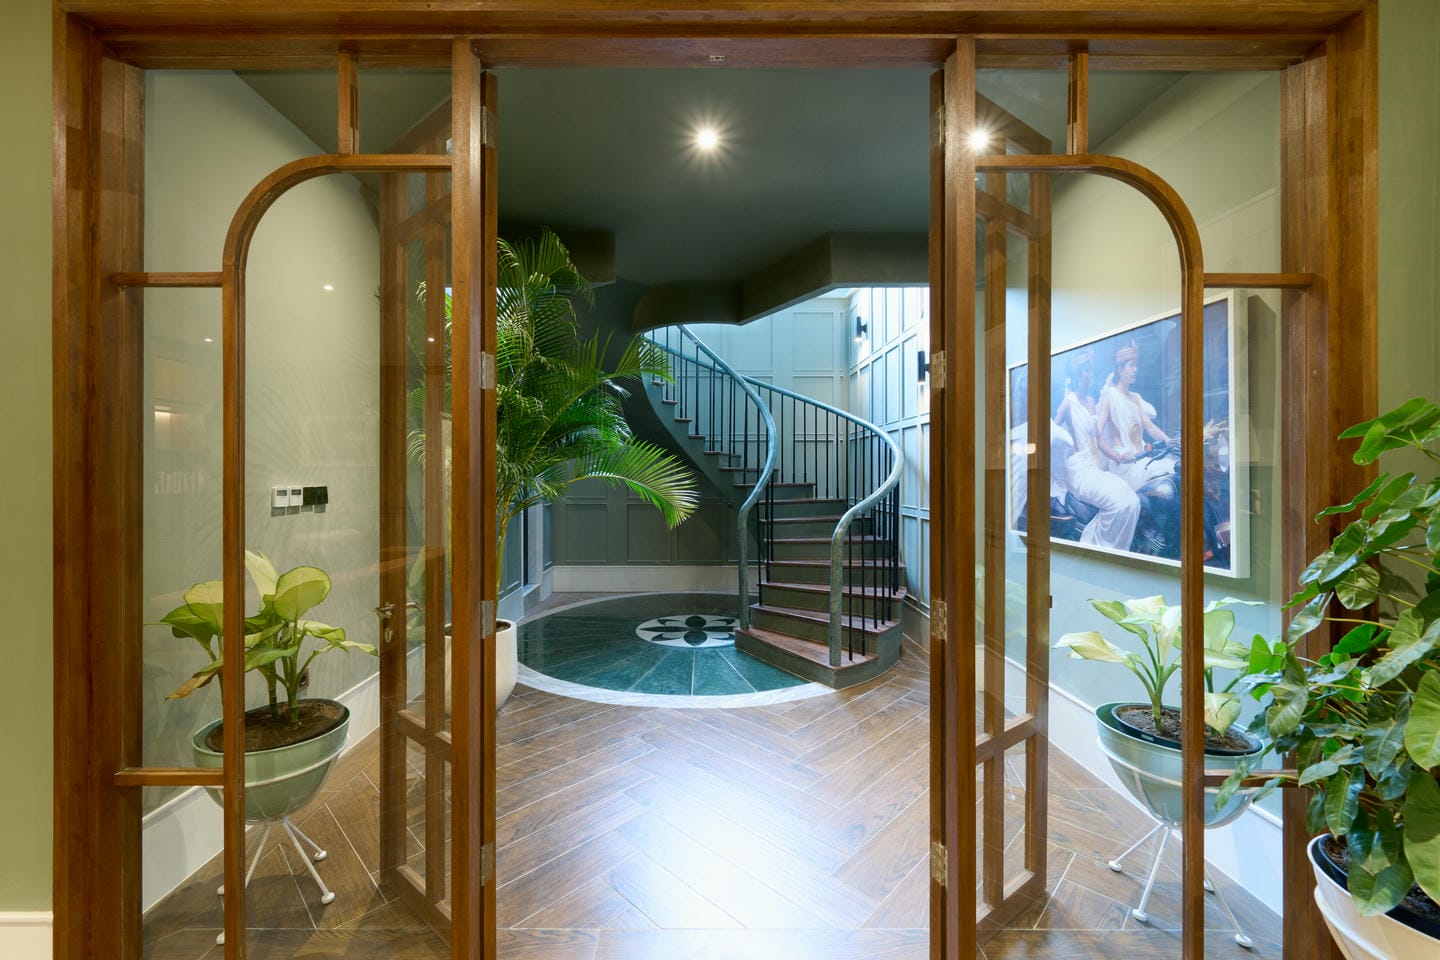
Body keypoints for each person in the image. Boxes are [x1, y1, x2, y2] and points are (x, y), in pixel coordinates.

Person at [1052, 348, 1140, 550]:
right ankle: (1096, 548)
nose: (1090, 374)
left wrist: (1117, 456)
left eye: (1091, 369)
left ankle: (1117, 552)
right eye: (1086, 370)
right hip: (1078, 471)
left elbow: (1098, 440)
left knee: (1132, 500)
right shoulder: (1068, 403)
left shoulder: (1091, 402)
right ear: (1077, 375)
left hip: (1094, 467)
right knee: (1121, 502)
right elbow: (1052, 434)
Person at [1096, 340, 1175, 492]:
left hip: (1141, 457)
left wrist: (1171, 443)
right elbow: (1097, 435)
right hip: (1124, 463)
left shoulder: (1136, 398)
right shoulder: (1110, 397)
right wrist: (1116, 456)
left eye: (1136, 366)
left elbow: (1150, 427)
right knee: (1163, 484)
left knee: (1172, 471)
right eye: (1131, 366)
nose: (1135, 370)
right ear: (1120, 370)